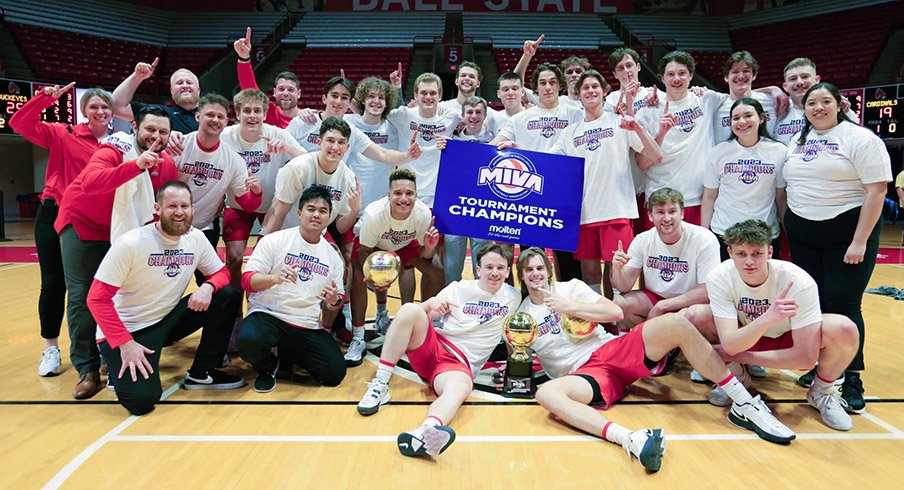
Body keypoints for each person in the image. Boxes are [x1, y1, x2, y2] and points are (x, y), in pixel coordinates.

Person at [513, 247, 795, 472]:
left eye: (540, 267)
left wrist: (570, 306)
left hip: (613, 350)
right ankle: (632, 439)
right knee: (546, 393)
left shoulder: (571, 288)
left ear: (549, 270)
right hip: (586, 375)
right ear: (522, 276)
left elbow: (615, 312)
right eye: (529, 270)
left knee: (677, 323)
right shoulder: (521, 317)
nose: (536, 274)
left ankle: (743, 402)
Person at [87, 180, 245, 415]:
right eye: (172, 206)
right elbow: (96, 299)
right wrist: (125, 344)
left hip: (168, 320)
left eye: (185, 206)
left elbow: (220, 273)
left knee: (227, 295)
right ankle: (115, 365)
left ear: (193, 209)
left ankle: (202, 373)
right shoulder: (132, 243)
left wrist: (208, 287)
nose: (179, 212)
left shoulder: (196, 238)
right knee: (142, 401)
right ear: (157, 209)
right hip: (129, 330)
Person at [54, 106, 179, 399]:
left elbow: (161, 207)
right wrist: (136, 166)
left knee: (127, 292)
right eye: (150, 129)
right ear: (135, 127)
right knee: (85, 295)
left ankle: (113, 349)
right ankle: (87, 367)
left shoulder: (167, 163)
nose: (156, 136)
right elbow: (89, 183)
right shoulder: (115, 148)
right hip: (85, 224)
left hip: (127, 231)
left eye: (163, 131)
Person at [687, 219, 859, 431]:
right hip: (748, 336)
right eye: (742, 254)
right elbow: (730, 344)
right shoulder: (719, 277)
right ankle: (737, 379)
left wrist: (740, 356)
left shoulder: (797, 281)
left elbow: (805, 359)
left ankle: (822, 391)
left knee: (844, 329)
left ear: (769, 252)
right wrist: (767, 318)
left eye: (757, 253)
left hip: (786, 338)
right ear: (730, 253)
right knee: (695, 315)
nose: (749, 261)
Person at [783, 82, 892, 413]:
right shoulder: (797, 140)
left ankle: (852, 377)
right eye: (812, 103)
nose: (818, 107)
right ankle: (823, 368)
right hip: (804, 234)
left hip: (846, 234)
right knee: (813, 304)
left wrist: (859, 241)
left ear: (839, 105)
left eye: (825, 101)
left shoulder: (860, 139)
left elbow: (876, 192)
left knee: (843, 305)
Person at [355, 244, 521, 458]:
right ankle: (381, 384)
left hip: (456, 366)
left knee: (461, 387)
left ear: (508, 271)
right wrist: (432, 306)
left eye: (500, 268)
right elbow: (420, 316)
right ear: (478, 269)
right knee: (409, 310)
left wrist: (514, 364)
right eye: (489, 267)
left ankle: (426, 432)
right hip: (432, 346)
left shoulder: (513, 297)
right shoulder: (458, 288)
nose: (495, 273)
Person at [9, 83, 112, 377]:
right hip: (55, 212)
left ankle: (101, 347)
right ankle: (51, 348)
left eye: (105, 107)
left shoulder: (119, 144)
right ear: (84, 111)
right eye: (94, 106)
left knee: (99, 286)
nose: (100, 111)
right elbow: (19, 123)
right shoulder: (63, 133)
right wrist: (44, 99)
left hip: (96, 218)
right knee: (55, 283)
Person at [551, 70, 661, 298]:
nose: (590, 91)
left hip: (616, 209)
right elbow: (547, 163)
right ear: (579, 95)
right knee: (589, 274)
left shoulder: (620, 123)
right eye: (585, 88)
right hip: (584, 212)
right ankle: (596, 323)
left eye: (595, 87)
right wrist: (516, 149)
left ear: (604, 92)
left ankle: (619, 322)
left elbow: (655, 155)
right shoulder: (569, 133)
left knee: (617, 274)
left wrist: (638, 129)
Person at [237, 185, 347, 392]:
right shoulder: (275, 240)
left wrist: (334, 301)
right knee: (248, 341)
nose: (316, 215)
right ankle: (267, 366)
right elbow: (247, 280)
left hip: (306, 323)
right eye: (311, 209)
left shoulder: (332, 256)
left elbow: (338, 299)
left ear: (329, 217)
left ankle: (288, 354)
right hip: (269, 314)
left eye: (323, 211)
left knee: (334, 374)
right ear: (299, 213)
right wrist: (274, 278)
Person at [490, 63, 583, 282]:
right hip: (530, 198)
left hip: (565, 195)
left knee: (568, 261)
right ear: (534, 88)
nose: (548, 87)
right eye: (542, 83)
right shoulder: (519, 119)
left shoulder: (576, 114)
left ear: (560, 85)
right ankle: (530, 305)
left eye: (552, 82)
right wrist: (456, 149)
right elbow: (492, 147)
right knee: (531, 258)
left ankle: (567, 309)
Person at [347, 169, 444, 366]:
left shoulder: (423, 213)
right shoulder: (374, 214)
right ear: (389, 195)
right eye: (398, 193)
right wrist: (375, 278)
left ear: (416, 195)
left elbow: (424, 256)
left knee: (436, 270)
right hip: (374, 247)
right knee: (358, 274)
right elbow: (364, 252)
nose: (403, 198)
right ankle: (358, 336)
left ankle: (428, 327)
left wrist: (430, 247)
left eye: (409, 193)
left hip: (405, 244)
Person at [219, 89, 304, 292]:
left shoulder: (277, 134)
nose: (252, 115)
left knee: (265, 261)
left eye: (257, 111)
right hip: (238, 204)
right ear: (237, 114)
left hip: (271, 207)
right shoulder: (225, 136)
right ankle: (235, 313)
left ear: (265, 115)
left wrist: (287, 149)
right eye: (246, 110)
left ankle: (258, 306)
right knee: (233, 257)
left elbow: (307, 158)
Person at [636, 51, 725, 228]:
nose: (676, 79)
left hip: (699, 198)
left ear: (691, 75)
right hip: (661, 201)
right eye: (670, 74)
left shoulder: (706, 99)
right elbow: (642, 164)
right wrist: (660, 133)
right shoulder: (648, 111)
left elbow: (742, 95)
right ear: (662, 77)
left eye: (682, 73)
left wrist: (773, 89)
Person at [611, 188, 720, 330]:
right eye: (660, 212)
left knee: (695, 315)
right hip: (655, 298)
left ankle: (679, 344)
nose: (667, 218)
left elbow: (707, 292)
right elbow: (623, 287)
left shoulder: (704, 239)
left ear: (682, 213)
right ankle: (650, 340)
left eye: (672, 211)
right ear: (650, 216)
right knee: (620, 304)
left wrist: (664, 306)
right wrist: (617, 269)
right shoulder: (643, 240)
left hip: (689, 303)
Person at [176, 94, 263, 268]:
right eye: (210, 115)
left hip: (203, 229)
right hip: (169, 226)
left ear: (226, 121)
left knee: (219, 289)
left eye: (220, 117)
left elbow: (248, 204)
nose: (215, 120)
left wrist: (257, 192)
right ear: (198, 116)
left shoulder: (233, 160)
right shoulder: (178, 145)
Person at [701, 98, 787, 261]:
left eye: (748, 115)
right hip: (725, 233)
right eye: (736, 118)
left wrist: (788, 231)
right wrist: (705, 235)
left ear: (761, 118)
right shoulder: (719, 152)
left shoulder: (778, 151)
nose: (742, 122)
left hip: (764, 234)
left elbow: (780, 197)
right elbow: (709, 195)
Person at [262, 117, 360, 235]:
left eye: (341, 142)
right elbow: (278, 213)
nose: (335, 147)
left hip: (315, 236)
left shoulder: (348, 178)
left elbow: (340, 227)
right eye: (330, 140)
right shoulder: (297, 168)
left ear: (347, 147)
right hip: (284, 233)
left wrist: (354, 211)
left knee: (336, 253)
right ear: (319, 143)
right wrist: (266, 244)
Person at [442, 96, 497, 285]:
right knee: (451, 265)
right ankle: (450, 306)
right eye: (470, 112)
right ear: (463, 115)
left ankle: (481, 303)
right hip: (456, 208)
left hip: (483, 208)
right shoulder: (451, 141)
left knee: (481, 261)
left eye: (478, 112)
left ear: (485, 115)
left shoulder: (495, 140)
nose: (474, 116)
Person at [386, 72, 462, 209]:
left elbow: (477, 123)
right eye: (423, 93)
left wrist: (453, 145)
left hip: (438, 193)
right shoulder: (403, 115)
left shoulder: (451, 117)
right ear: (416, 95)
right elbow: (371, 112)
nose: (428, 97)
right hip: (407, 192)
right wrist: (396, 87)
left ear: (440, 95)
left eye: (433, 93)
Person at [111, 58, 201, 153]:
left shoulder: (212, 116)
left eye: (189, 83)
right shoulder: (158, 113)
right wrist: (137, 77)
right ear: (172, 91)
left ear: (198, 90)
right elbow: (115, 107)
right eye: (179, 83)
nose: (184, 85)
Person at [774, 58, 859, 145]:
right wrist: (772, 89)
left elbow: (856, 138)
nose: (799, 82)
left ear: (817, 80)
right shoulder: (776, 109)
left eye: (805, 77)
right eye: (793, 79)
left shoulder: (837, 108)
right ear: (785, 86)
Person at [711, 51, 785, 144]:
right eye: (735, 71)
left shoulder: (771, 100)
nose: (741, 76)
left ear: (754, 75)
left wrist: (773, 89)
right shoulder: (715, 105)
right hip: (727, 157)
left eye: (746, 71)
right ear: (726, 77)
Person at [234, 27, 300, 128]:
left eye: (290, 89)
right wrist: (244, 57)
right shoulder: (269, 113)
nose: (285, 93)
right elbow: (249, 87)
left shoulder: (308, 119)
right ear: (274, 92)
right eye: (281, 89)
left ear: (299, 93)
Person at [513, 35, 586, 111]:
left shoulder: (596, 102)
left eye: (578, 71)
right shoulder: (551, 100)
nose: (574, 75)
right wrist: (526, 56)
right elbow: (515, 85)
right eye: (569, 72)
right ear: (563, 79)